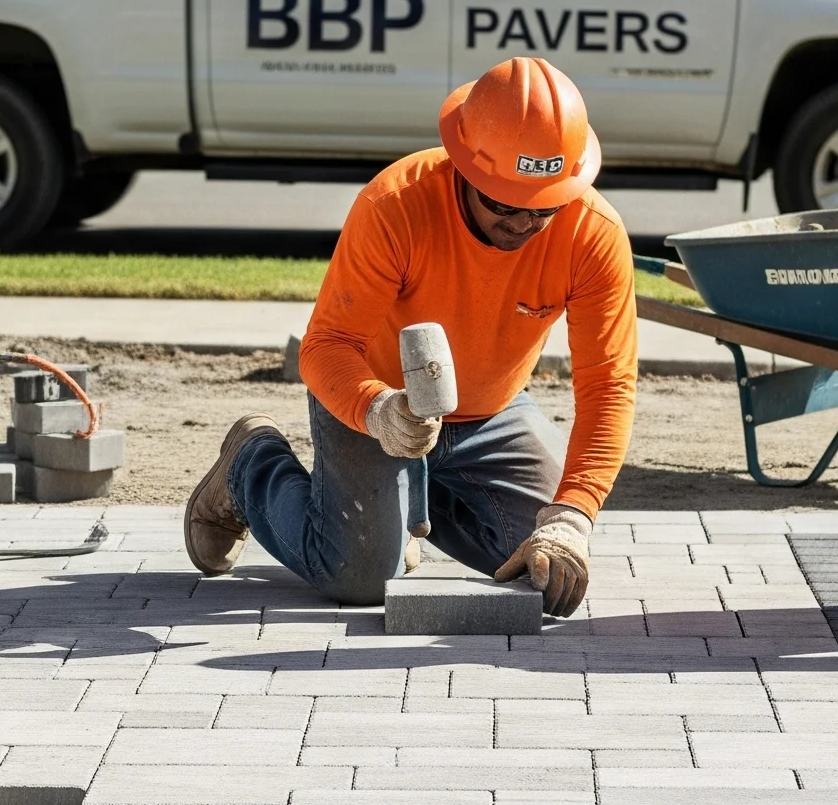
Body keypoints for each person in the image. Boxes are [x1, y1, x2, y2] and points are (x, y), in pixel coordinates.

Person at [184, 57, 637, 610]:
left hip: (492, 413)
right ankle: (250, 466)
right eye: (503, 203)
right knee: (357, 578)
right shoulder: (395, 206)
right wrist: (378, 411)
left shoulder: (592, 234)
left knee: (545, 566)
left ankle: (399, 516)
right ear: (466, 169)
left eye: (545, 207)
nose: (524, 223)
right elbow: (326, 346)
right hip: (374, 401)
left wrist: (573, 513)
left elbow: (608, 386)